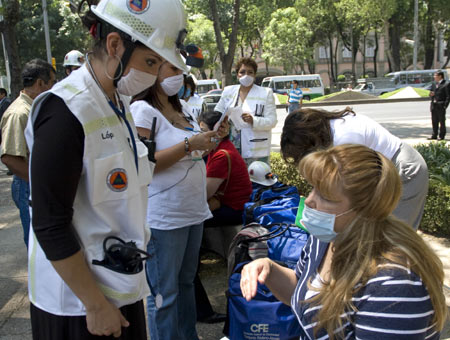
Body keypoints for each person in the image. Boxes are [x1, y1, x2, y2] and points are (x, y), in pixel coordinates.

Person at [23, 0, 189, 339]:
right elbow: (49, 222)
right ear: (115, 44)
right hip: (77, 305)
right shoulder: (65, 112)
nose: (156, 73)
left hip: (118, 287)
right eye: (151, 61)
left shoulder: (118, 103)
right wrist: (95, 304)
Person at [240, 144, 447, 340]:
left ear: (365, 210)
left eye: (326, 197)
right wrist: (269, 269)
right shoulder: (326, 238)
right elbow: (305, 294)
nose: (310, 200)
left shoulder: (394, 286)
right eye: (312, 188)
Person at [130, 60, 220, 339]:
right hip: (164, 217)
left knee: (185, 285)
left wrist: (208, 142)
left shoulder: (183, 110)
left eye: (181, 70)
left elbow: (192, 156)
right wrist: (189, 145)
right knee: (164, 293)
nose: (179, 76)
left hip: (193, 211)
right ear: (153, 71)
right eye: (172, 68)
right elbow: (144, 163)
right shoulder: (142, 110)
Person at [281, 107, 428, 230]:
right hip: (384, 170)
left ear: (310, 139)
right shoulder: (330, 127)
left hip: (405, 170)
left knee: (395, 232)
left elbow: (350, 191)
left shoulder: (344, 139)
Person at [192, 110, 251, 324]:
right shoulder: (219, 149)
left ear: (217, 132)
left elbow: (203, 195)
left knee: (189, 238)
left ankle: (201, 310)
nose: (197, 136)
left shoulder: (219, 155)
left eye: (202, 131)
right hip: (227, 205)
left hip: (232, 209)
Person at [0, 59, 55, 248]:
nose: (54, 88)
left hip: (35, 182)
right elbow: (9, 158)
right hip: (28, 185)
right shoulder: (19, 113)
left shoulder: (35, 107)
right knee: (37, 243)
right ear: (40, 83)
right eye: (52, 83)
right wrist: (38, 181)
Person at [214, 57, 277, 166]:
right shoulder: (229, 91)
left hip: (255, 149)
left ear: (255, 75)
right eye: (242, 72)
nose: (246, 75)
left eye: (250, 72)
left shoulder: (265, 93)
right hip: (230, 145)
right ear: (237, 74)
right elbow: (217, 114)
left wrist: (254, 120)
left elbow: (272, 121)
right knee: (233, 179)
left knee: (256, 179)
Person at [428, 70, 449, 140]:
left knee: (441, 121)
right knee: (434, 121)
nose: (434, 77)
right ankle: (434, 134)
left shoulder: (446, 84)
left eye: (435, 75)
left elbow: (448, 96)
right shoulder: (434, 83)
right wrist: (431, 95)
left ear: (440, 76)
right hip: (434, 105)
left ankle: (441, 135)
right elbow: (431, 92)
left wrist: (445, 105)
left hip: (441, 105)